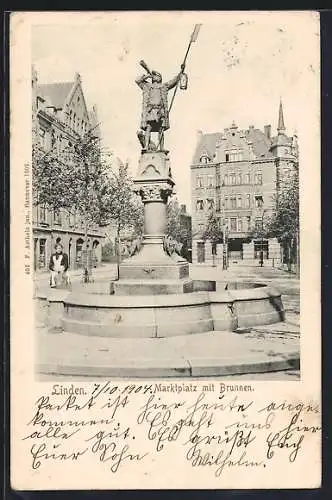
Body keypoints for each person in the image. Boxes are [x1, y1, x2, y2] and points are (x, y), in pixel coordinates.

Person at [136, 63, 185, 151]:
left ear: (160, 78)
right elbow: (137, 80)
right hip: (150, 111)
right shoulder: (147, 86)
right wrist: (147, 76)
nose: (155, 76)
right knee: (148, 127)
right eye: (154, 75)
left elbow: (174, 81)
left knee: (160, 129)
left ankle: (162, 148)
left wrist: (181, 71)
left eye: (157, 75)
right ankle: (146, 146)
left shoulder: (164, 86)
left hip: (160, 111)